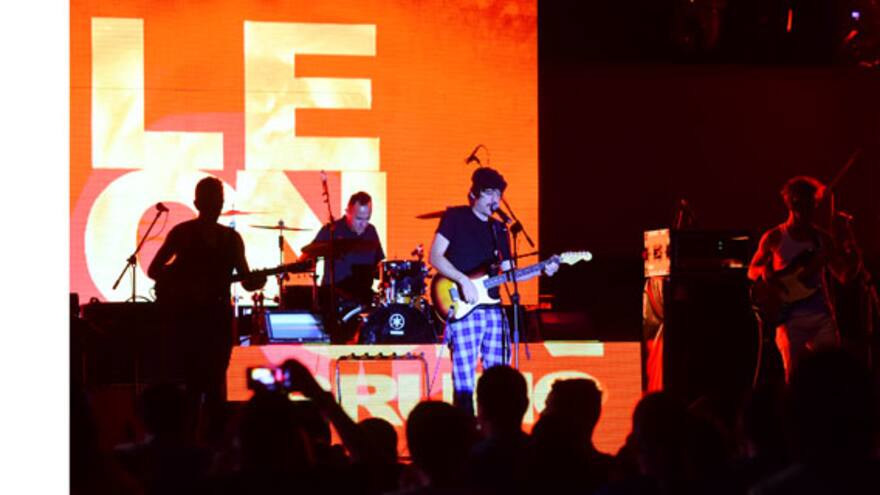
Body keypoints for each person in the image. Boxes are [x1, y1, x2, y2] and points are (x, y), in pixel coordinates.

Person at [429, 167, 557, 414]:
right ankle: (465, 431)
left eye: (497, 194)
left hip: (493, 311)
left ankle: (496, 430)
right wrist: (462, 280)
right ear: (474, 194)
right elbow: (435, 256)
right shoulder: (455, 217)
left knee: (498, 379)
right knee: (464, 379)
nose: (494, 199)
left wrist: (542, 270)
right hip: (463, 308)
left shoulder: (500, 230)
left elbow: (509, 275)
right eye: (488, 193)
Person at [148, 176, 265, 442]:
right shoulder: (187, 234)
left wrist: (256, 281)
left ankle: (203, 444)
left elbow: (246, 280)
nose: (215, 204)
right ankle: (199, 444)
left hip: (214, 319)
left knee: (210, 385)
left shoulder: (227, 238)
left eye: (217, 199)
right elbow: (155, 271)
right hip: (192, 320)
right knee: (200, 385)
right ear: (201, 203)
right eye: (212, 199)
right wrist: (185, 286)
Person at [748, 176, 851, 381]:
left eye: (812, 205)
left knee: (832, 377)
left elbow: (844, 276)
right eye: (805, 205)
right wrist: (766, 275)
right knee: (793, 378)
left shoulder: (822, 239)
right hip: (789, 319)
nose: (810, 211)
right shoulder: (775, 237)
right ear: (792, 204)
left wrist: (849, 243)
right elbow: (752, 269)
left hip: (821, 316)